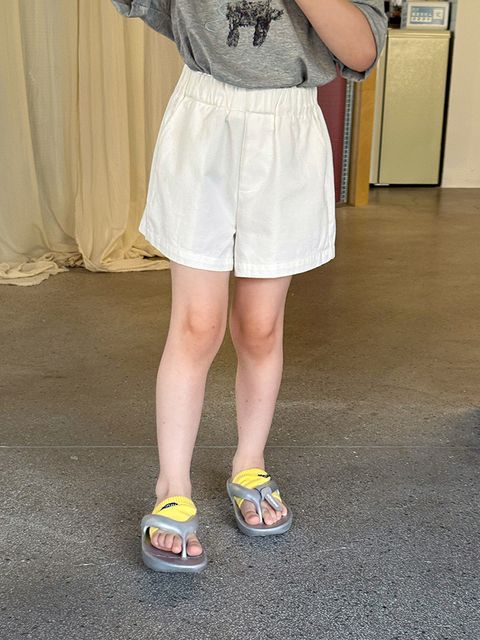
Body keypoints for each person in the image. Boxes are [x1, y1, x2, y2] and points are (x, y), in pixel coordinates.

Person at [111, 0, 388, 573]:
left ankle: (249, 463)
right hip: (205, 118)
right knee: (197, 324)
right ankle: (172, 485)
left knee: (259, 326)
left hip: (288, 126)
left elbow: (361, 50)